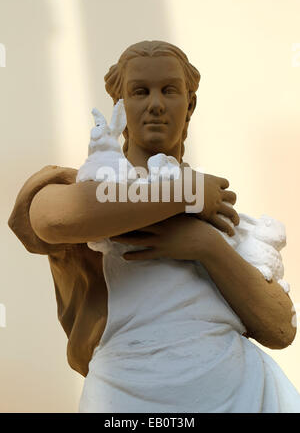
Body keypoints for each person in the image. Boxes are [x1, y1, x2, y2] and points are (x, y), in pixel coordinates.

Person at [8, 40, 300, 412]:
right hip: (125, 394)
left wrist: (204, 245)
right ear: (120, 106)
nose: (156, 104)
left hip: (238, 391)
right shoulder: (93, 195)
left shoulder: (216, 211)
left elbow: (280, 327)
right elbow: (51, 219)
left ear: (189, 105)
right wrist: (184, 194)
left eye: (170, 91)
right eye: (140, 92)